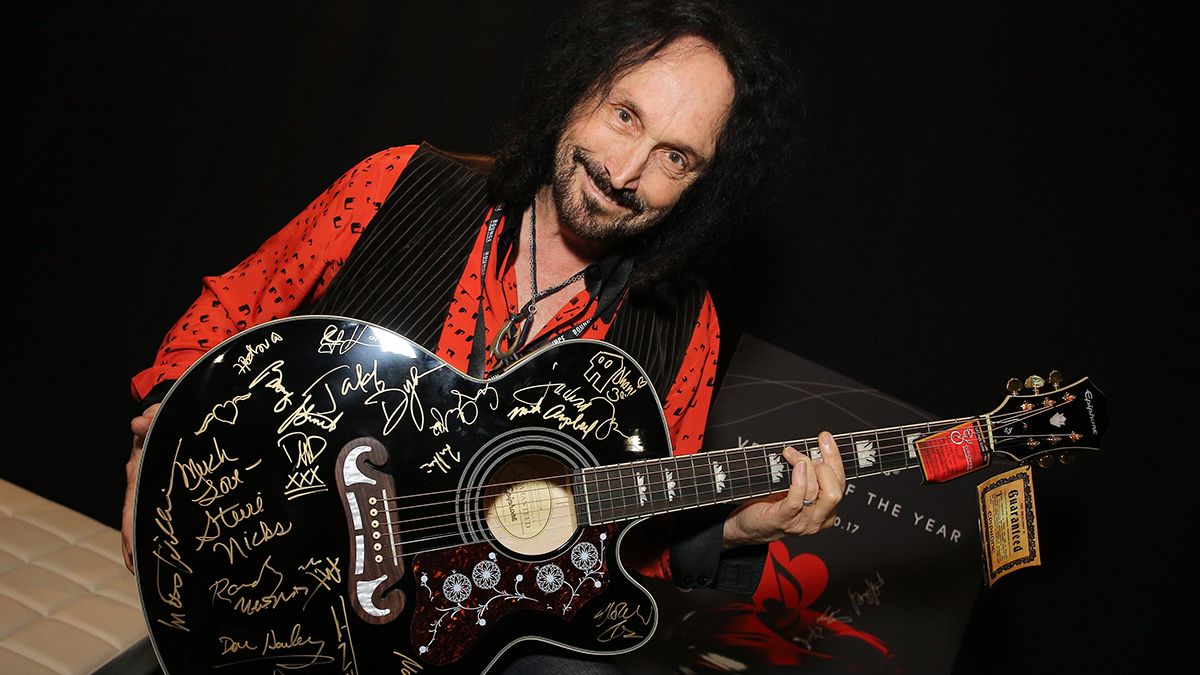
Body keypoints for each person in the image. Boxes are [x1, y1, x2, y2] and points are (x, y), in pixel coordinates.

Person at [123, 0, 846, 671]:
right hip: (266, 596)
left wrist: (737, 528)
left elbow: (616, 552)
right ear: (580, 84)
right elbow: (229, 313)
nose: (624, 172)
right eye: (626, 115)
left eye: (675, 157)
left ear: (702, 189)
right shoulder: (396, 185)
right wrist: (156, 456)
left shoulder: (685, 332)